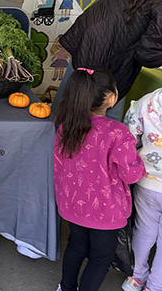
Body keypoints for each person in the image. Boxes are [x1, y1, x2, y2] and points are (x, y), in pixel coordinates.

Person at [53, 67, 146, 291]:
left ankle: (66, 288)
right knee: (101, 256)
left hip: (72, 205)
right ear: (112, 98)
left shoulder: (67, 126)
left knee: (75, 245)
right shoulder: (118, 132)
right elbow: (130, 174)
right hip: (106, 211)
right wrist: (142, 163)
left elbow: (58, 165)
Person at [54, 0, 162, 120]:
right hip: (110, 47)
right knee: (107, 110)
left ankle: (50, 134)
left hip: (94, 30)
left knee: (71, 94)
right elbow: (147, 53)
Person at [122, 88, 162, 291]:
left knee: (144, 230)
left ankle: (136, 278)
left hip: (146, 180)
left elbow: (129, 138)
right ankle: (155, 286)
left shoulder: (148, 101)